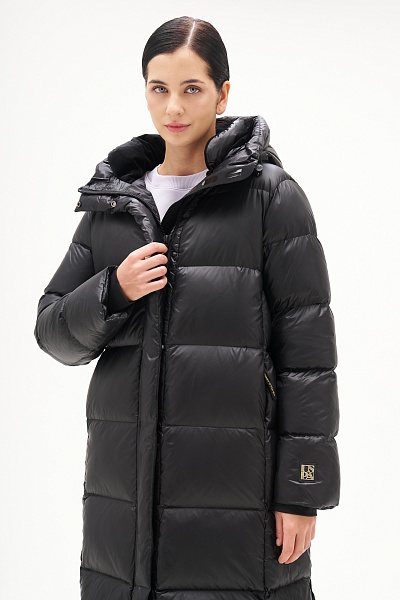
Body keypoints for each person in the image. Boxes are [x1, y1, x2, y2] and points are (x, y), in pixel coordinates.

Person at [34, 15, 340, 600]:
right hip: (123, 504)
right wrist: (113, 290)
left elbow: (308, 357)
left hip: (237, 492)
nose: (173, 107)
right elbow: (53, 333)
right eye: (159, 88)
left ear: (223, 94)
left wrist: (303, 491)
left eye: (192, 88)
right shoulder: (113, 206)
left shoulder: (271, 198)